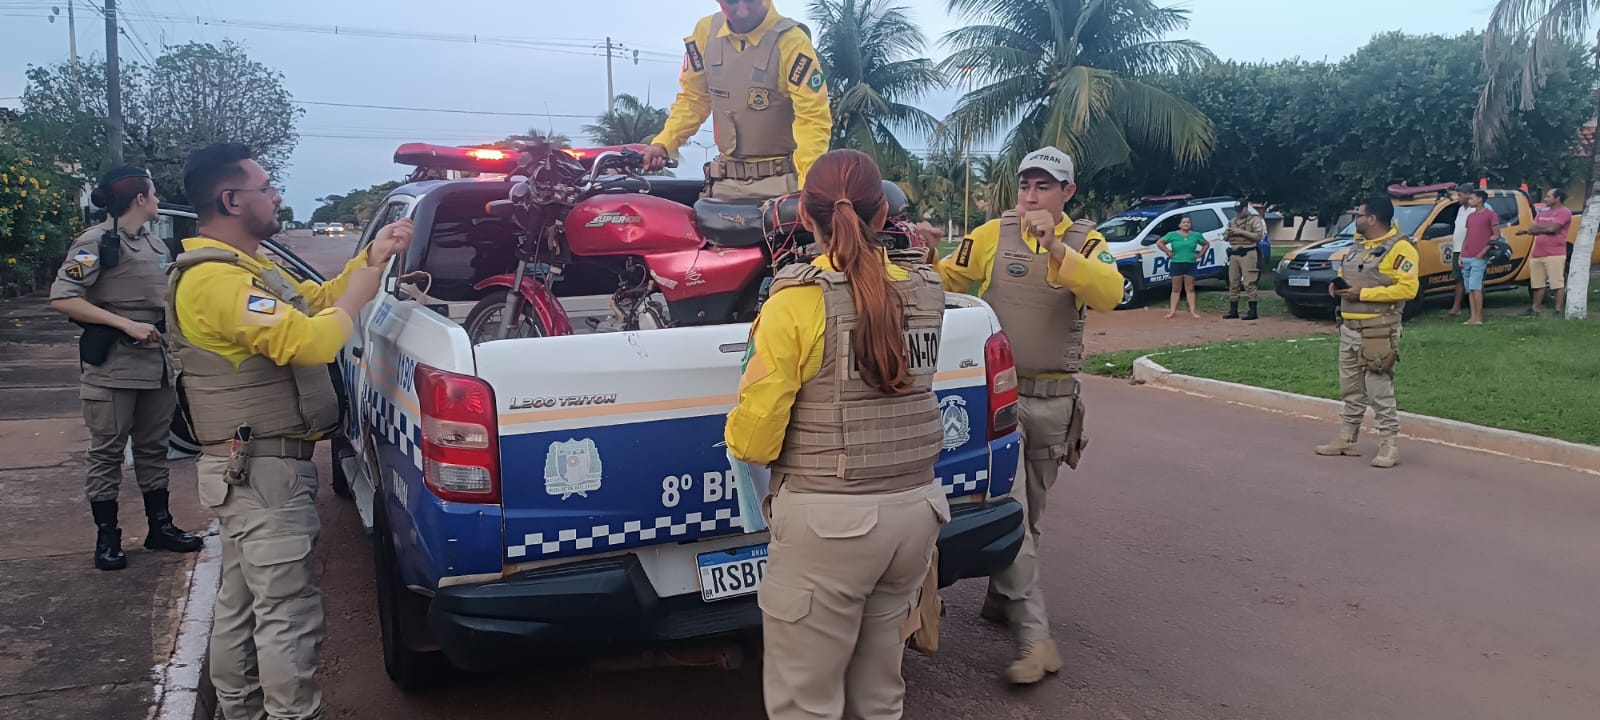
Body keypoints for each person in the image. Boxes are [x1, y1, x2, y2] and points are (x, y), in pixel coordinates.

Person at [167, 143, 411, 719]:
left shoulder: (246, 270)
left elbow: (314, 306)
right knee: (285, 612)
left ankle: (241, 709)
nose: (277, 196)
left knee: (244, 602)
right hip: (261, 472)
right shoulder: (213, 283)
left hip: (257, 467)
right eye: (267, 187)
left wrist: (369, 261)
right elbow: (312, 340)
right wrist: (360, 288)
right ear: (231, 199)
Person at [726, 149, 948, 719]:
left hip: (830, 525)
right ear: (882, 214)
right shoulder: (926, 288)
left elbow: (753, 442)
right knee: (880, 696)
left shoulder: (795, 303)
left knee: (806, 704)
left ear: (805, 215)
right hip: (915, 513)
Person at [935, 146, 1122, 684]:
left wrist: (1057, 248)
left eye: (1044, 186)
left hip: (1055, 402)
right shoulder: (993, 234)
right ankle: (1035, 640)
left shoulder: (1087, 243)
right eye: (1025, 185)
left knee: (1030, 517)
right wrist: (924, 260)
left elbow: (1110, 293)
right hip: (999, 401)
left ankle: (1002, 598)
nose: (1031, 196)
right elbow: (952, 278)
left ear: (1067, 193)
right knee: (1011, 509)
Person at [49, 165, 203, 571]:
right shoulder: (96, 242)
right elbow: (63, 297)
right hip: (115, 365)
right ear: (140, 198)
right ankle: (108, 537)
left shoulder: (154, 244)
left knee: (155, 450)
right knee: (107, 452)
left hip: (156, 362)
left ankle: (160, 527)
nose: (156, 201)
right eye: (152, 193)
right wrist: (123, 323)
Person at [643, 0, 832, 200]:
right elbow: (693, 99)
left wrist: (808, 189)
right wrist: (663, 144)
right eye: (731, 2)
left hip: (781, 186)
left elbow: (813, 117)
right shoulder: (705, 33)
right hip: (724, 184)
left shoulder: (792, 42)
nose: (742, 12)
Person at [1315, 193, 1419, 469]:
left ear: (1372, 219)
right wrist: (1338, 288)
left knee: (1379, 390)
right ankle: (1347, 438)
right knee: (1350, 389)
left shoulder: (1401, 248)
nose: (1355, 219)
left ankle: (1389, 444)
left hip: (1378, 330)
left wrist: (1365, 293)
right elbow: (1353, 276)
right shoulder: (1358, 246)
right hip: (1349, 327)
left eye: (1359, 215)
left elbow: (1408, 289)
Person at [1518, 188, 1573, 315]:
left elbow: (1554, 229)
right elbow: (1531, 229)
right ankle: (1535, 309)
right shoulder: (1542, 213)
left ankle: (1558, 309)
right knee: (1537, 284)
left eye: (1548, 196)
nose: (1545, 199)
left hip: (1555, 253)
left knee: (1556, 283)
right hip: (1538, 253)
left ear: (1557, 198)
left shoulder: (1564, 212)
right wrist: (1545, 229)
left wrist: (1542, 229)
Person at [1157, 216, 1211, 319]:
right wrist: (1168, 252)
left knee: (1190, 288)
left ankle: (1193, 311)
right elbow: (1160, 242)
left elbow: (1206, 244)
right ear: (1180, 225)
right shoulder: (1172, 235)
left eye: (1188, 222)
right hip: (1176, 263)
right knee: (1176, 289)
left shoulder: (1196, 235)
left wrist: (1200, 254)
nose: (1186, 224)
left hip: (1190, 263)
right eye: (1184, 222)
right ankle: (1172, 311)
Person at [1459, 190, 1498, 325]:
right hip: (1467, 256)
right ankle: (1472, 316)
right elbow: (1467, 236)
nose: (1469, 201)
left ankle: (1479, 317)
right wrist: (1461, 254)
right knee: (1469, 288)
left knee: (1476, 286)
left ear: (1480, 199)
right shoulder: (1470, 217)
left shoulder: (1490, 215)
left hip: (1479, 256)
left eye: (1472, 198)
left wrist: (1484, 251)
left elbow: (1496, 235)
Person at [1222, 202, 1266, 320]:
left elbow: (1258, 236)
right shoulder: (1232, 221)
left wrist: (1241, 232)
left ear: (1246, 209)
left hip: (1248, 253)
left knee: (1249, 282)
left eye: (1240, 210)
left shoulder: (1254, 220)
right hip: (1234, 253)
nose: (1238, 212)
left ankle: (1252, 311)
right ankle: (1233, 310)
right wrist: (1229, 233)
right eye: (1236, 210)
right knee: (1233, 282)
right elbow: (1225, 237)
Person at [1447, 184, 1477, 317]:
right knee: (1458, 278)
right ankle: (1456, 307)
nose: (1457, 198)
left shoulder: (1475, 211)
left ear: (1468, 195)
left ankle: (1475, 309)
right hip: (1457, 249)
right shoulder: (1460, 210)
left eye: (1460, 195)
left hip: (1470, 249)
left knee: (1474, 279)